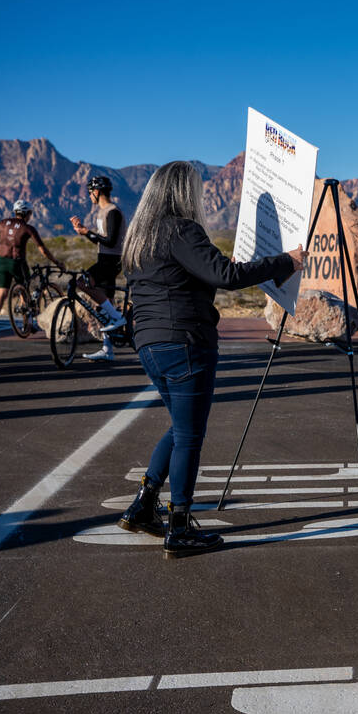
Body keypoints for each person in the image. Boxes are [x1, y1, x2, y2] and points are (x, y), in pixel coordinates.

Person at [116, 161, 303, 557]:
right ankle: (180, 527)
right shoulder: (180, 230)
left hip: (148, 345)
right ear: (183, 193)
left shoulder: (139, 236)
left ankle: (143, 506)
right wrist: (287, 261)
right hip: (184, 341)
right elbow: (225, 275)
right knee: (189, 435)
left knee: (181, 426)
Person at [69, 176, 129, 361]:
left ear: (97, 192)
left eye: (89, 192)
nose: (89, 196)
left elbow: (110, 241)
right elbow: (100, 240)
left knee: (81, 282)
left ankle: (118, 318)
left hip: (112, 260)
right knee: (104, 303)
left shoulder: (113, 212)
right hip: (105, 257)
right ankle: (107, 350)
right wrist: (84, 232)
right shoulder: (101, 212)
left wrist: (88, 232)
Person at [0, 200, 65, 335]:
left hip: (1, 261)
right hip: (17, 262)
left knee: (2, 293)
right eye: (30, 213)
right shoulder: (27, 227)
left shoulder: (2, 223)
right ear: (27, 213)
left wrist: (1, 249)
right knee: (24, 290)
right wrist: (57, 262)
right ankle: (26, 324)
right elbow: (43, 250)